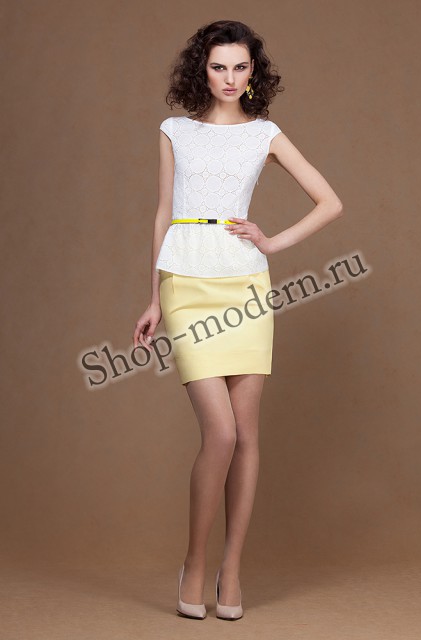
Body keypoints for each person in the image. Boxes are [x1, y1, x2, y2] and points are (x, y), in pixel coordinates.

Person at [133, 20, 343, 620]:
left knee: (246, 435)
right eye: (218, 66)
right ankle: (195, 564)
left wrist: (272, 242)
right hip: (186, 281)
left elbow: (330, 202)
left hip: (246, 285)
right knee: (220, 434)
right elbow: (164, 214)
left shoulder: (265, 134)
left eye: (240, 67)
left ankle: (231, 570)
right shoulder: (175, 130)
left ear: (254, 73)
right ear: (201, 70)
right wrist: (154, 298)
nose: (229, 78)